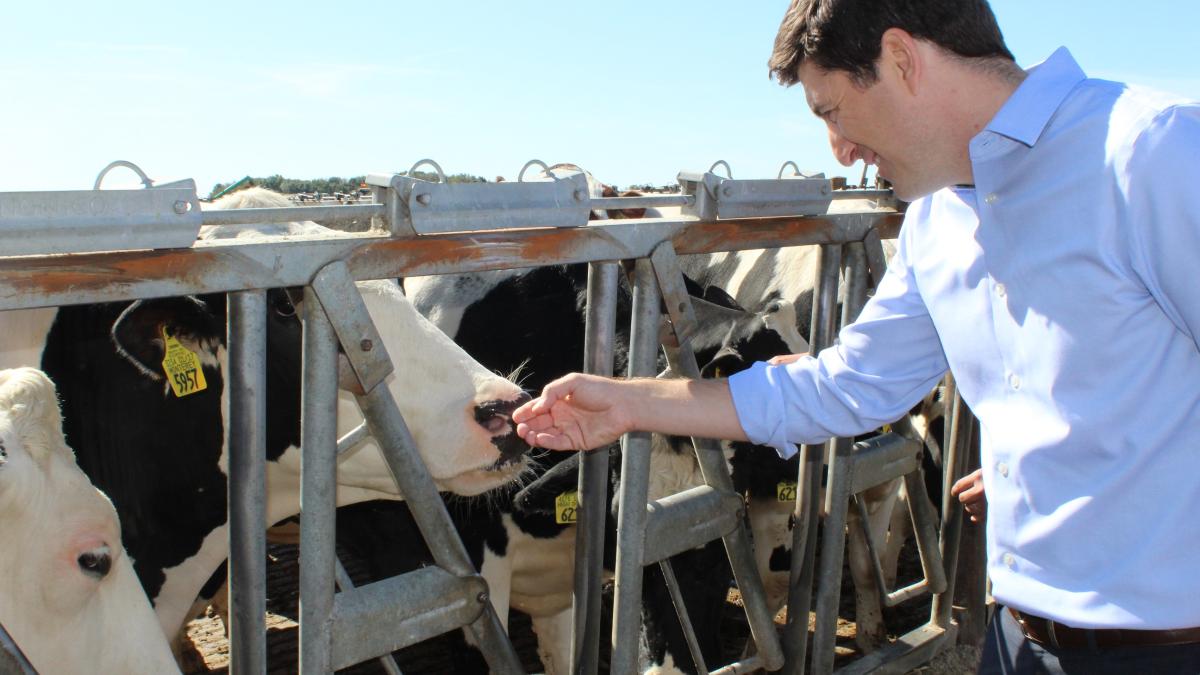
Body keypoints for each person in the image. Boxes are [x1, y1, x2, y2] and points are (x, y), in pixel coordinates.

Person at [513, 0, 1200, 672]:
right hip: (1016, 633)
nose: (839, 148)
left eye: (831, 111)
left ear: (901, 58)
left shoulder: (1151, 154)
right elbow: (846, 385)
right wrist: (630, 403)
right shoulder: (938, 220)